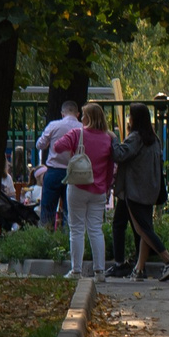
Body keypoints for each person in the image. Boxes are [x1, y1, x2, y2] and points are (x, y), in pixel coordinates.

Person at [111, 104, 169, 279]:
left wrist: (113, 139)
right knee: (142, 228)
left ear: (135, 119)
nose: (128, 119)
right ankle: (139, 269)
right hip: (149, 190)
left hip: (134, 190)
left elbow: (119, 155)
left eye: (130, 116)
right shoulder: (154, 139)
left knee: (143, 229)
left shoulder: (135, 138)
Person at [55, 103, 116, 280]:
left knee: (76, 229)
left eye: (83, 116)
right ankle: (100, 271)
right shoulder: (108, 138)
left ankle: (76, 271)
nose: (81, 119)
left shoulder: (77, 134)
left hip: (78, 187)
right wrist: (106, 188)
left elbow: (58, 147)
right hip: (98, 190)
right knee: (96, 229)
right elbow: (110, 167)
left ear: (88, 118)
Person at [33, 106, 77, 229]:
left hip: (54, 170)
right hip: (74, 173)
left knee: (47, 210)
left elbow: (39, 145)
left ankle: (46, 240)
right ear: (78, 114)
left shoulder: (53, 125)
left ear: (62, 113)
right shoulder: (81, 128)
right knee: (70, 211)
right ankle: (68, 240)